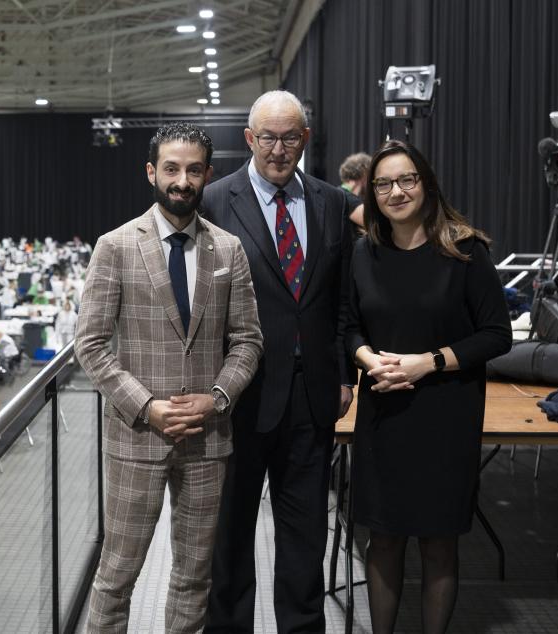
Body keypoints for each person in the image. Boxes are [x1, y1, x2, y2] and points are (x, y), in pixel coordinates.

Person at [75, 123, 263, 633]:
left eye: (194, 170)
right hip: (137, 437)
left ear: (208, 175)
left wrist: (218, 398)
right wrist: (147, 406)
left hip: (207, 440)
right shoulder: (114, 246)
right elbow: (89, 344)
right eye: (172, 169)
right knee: (116, 575)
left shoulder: (228, 250)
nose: (183, 180)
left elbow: (248, 340)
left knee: (194, 575)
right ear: (151, 172)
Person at [201, 90, 357, 634]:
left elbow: (341, 301)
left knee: (304, 539)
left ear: (305, 140)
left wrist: (342, 373)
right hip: (239, 398)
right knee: (231, 538)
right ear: (248, 139)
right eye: (267, 137)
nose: (278, 148)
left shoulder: (331, 202)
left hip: (312, 399)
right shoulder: (215, 201)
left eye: (290, 137)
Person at [345, 140, 512, 633]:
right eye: (383, 184)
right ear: (372, 194)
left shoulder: (464, 250)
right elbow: (348, 326)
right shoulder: (362, 254)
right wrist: (367, 357)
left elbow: (496, 335)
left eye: (406, 180)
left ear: (426, 184)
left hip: (446, 414)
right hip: (384, 413)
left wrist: (429, 362)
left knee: (439, 542)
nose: (396, 191)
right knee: (385, 539)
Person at [339, 151, 371, 229]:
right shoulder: (347, 198)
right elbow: (374, 225)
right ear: (364, 172)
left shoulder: (340, 193)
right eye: (371, 174)